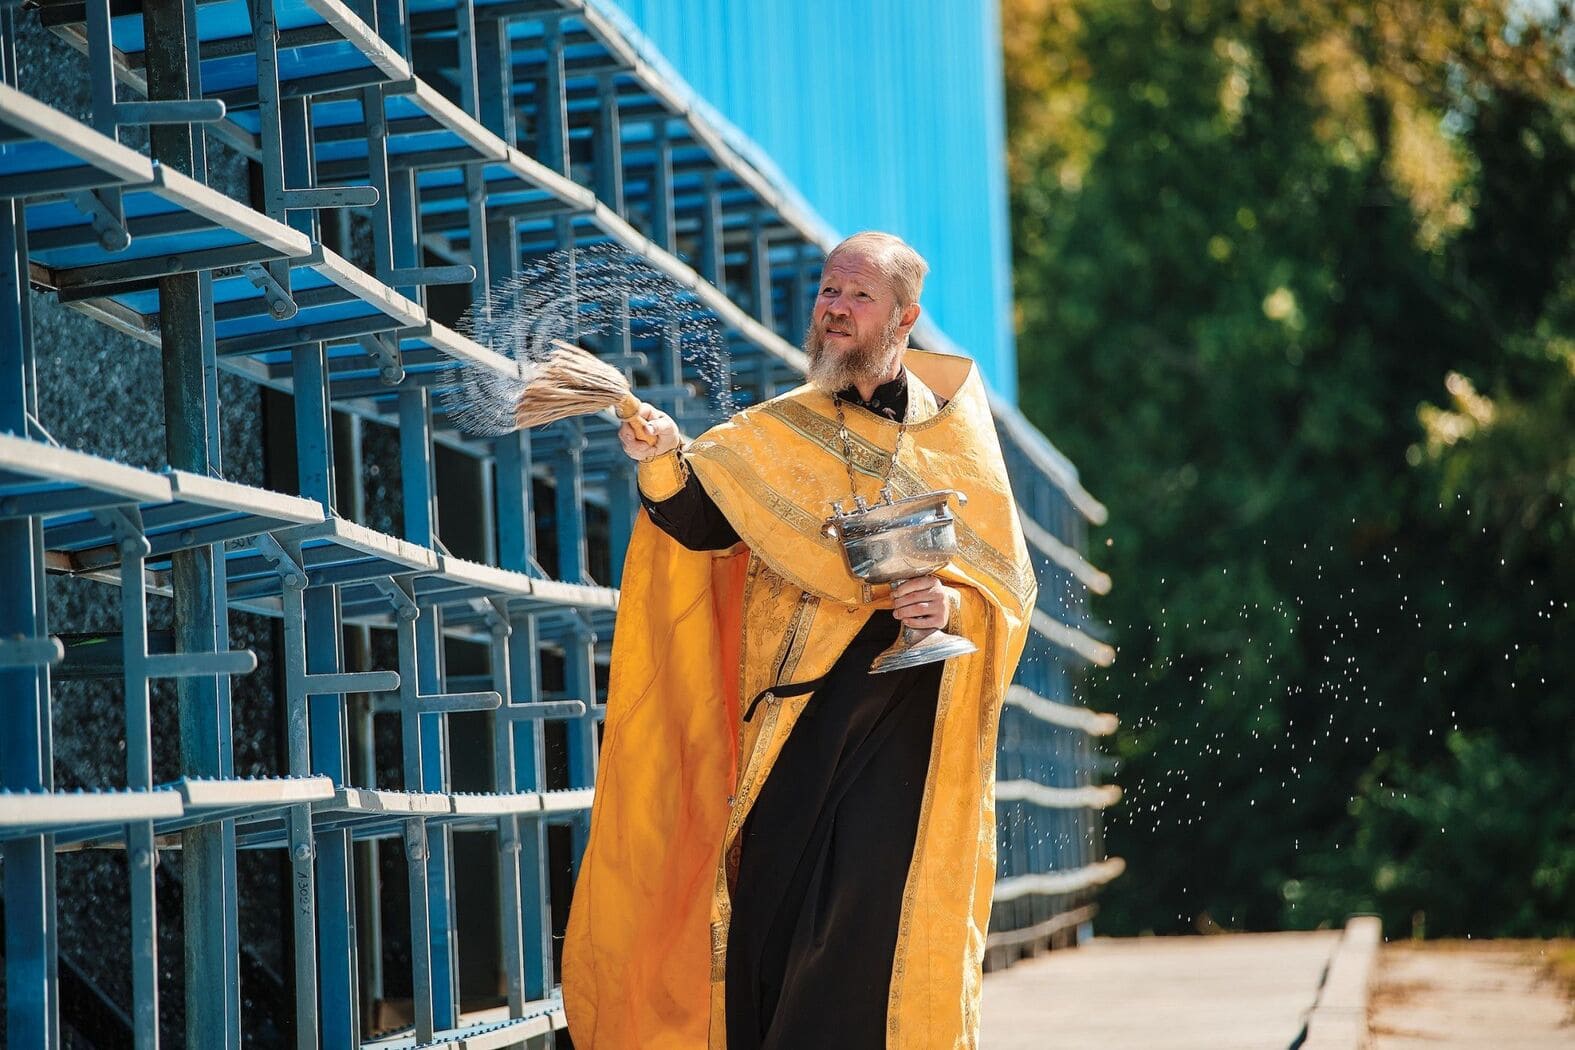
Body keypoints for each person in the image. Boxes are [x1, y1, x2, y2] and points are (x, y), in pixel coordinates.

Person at [563, 231, 1036, 1049]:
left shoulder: (958, 435)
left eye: (859, 296)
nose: (835, 310)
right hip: (795, 723)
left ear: (904, 318)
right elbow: (704, 524)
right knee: (766, 920)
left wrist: (947, 607)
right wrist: (662, 459)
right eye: (828, 292)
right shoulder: (778, 430)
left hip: (907, 733)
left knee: (869, 932)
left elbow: (1003, 588)